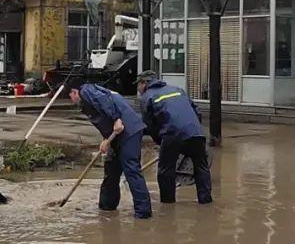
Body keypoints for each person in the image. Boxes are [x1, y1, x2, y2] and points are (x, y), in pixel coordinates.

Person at [70, 83, 152, 219]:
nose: (71, 100)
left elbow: (104, 101)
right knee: (111, 168)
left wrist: (116, 119)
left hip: (128, 131)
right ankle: (107, 207)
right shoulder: (87, 100)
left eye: (70, 96)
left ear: (74, 92)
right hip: (115, 136)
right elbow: (103, 118)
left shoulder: (87, 90)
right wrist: (105, 139)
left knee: (131, 170)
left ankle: (143, 212)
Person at [136, 71, 213, 205]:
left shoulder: (147, 97)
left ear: (144, 83)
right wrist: (194, 129)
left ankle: (168, 205)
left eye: (138, 85)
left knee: (166, 169)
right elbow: (197, 112)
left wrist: (161, 143)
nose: (138, 89)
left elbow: (150, 125)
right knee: (201, 167)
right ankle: (205, 201)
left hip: (172, 134)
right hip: (196, 133)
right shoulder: (177, 90)